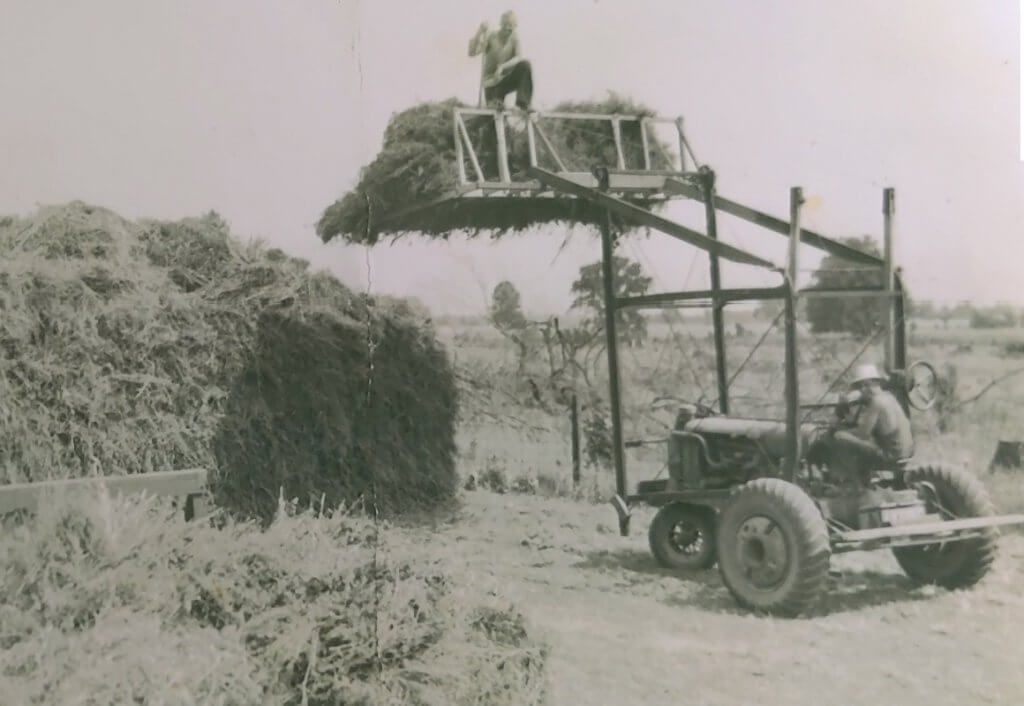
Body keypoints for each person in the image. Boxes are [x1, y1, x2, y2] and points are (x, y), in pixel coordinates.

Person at [827, 363, 914, 481]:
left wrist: (841, 428)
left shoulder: (876, 402)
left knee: (839, 437)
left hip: (891, 456)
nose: (862, 390)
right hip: (906, 453)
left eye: (864, 386)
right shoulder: (889, 397)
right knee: (862, 441)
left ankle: (851, 481)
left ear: (871, 384)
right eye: (861, 387)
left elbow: (863, 434)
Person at [468, 11, 533, 111]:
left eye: (511, 26)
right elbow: (472, 52)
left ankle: (523, 103)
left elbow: (518, 57)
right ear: (501, 25)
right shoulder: (491, 37)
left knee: (525, 65)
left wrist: (502, 66)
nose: (508, 29)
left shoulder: (514, 38)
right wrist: (480, 31)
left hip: (505, 80)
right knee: (493, 117)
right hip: (491, 82)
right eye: (506, 25)